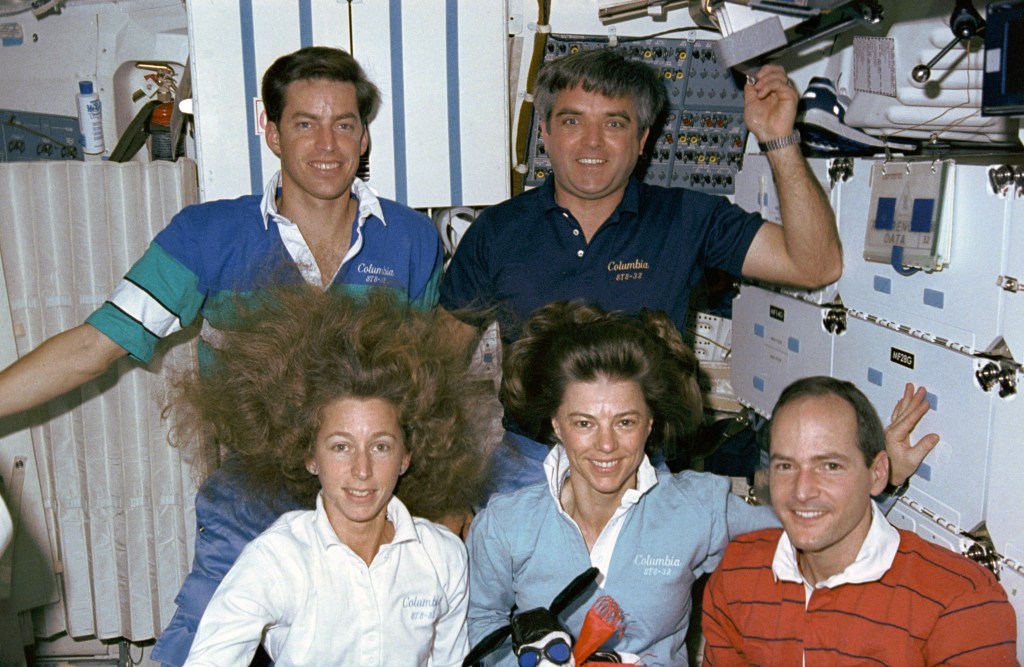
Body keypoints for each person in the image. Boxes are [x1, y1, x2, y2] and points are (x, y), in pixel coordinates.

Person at [0, 46, 444, 665]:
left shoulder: (413, 241)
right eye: (304, 123)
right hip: (255, 488)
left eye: (344, 124)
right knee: (198, 646)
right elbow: (94, 344)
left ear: (364, 137)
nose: (327, 144)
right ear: (270, 132)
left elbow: (430, 390)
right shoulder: (207, 235)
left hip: (368, 484)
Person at [438, 48, 841, 492]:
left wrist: (778, 139)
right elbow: (436, 367)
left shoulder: (688, 217)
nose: (592, 142)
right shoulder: (497, 229)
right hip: (529, 470)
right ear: (546, 134)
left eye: (614, 123)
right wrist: (446, 493)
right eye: (572, 121)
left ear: (642, 139)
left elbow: (815, 264)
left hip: (644, 470)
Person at [178, 287, 493, 666]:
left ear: (407, 456)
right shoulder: (278, 559)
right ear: (310, 457)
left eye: (381, 447)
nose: (362, 471)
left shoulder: (443, 557)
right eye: (341, 447)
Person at [466, 300, 779, 665]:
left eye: (625, 422)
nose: (606, 444)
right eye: (584, 423)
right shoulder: (506, 524)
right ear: (557, 425)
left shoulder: (697, 508)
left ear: (649, 424)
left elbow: (801, 535)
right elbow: (483, 618)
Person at [701, 376, 1018, 666]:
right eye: (786, 466)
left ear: (878, 474)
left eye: (830, 466)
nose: (802, 491)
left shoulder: (958, 599)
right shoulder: (737, 571)